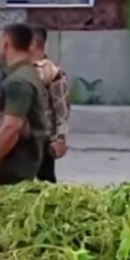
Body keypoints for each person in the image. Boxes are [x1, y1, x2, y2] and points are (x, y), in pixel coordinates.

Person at [0, 24, 48, 186]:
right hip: (24, 161)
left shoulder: (18, 81)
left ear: (6, 43)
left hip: (15, 165)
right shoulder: (26, 73)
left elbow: (12, 127)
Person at [31, 27, 71, 183]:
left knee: (45, 183)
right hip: (20, 138)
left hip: (43, 138)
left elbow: (62, 109)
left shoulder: (53, 73)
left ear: (32, 44)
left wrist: (60, 139)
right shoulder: (18, 69)